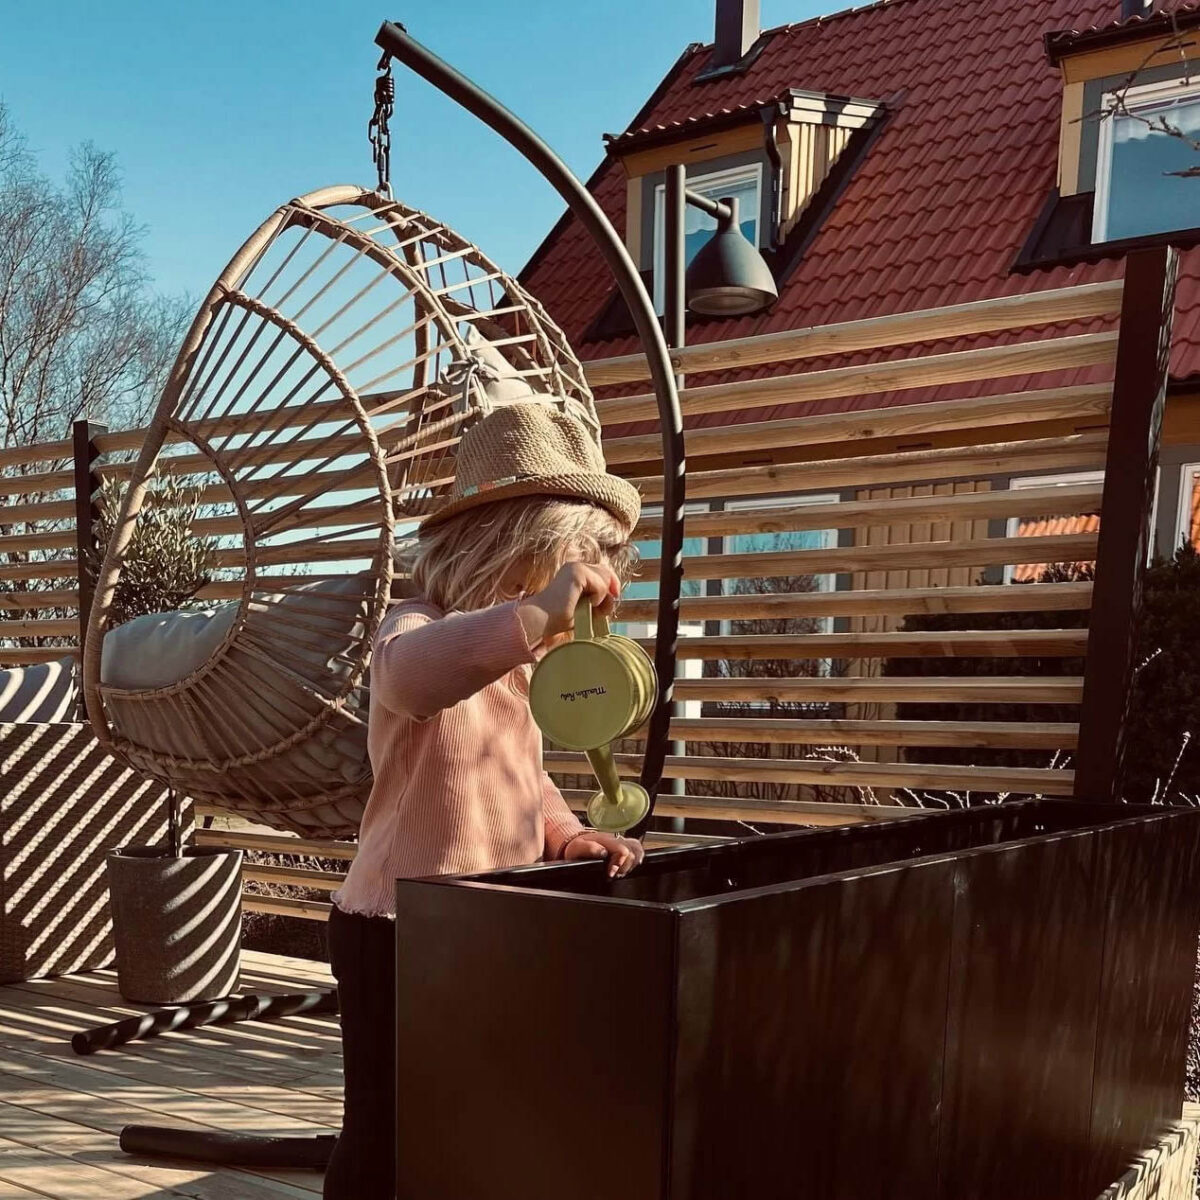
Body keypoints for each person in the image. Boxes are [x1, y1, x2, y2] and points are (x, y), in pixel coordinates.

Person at [323, 401, 647, 1199]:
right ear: (511, 543)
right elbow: (412, 681)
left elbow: (520, 768)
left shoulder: (516, 656)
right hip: (395, 929)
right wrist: (532, 616)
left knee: (472, 1119)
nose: (578, 584)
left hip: (486, 922)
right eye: (571, 560)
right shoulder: (417, 627)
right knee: (386, 1131)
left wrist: (565, 833)